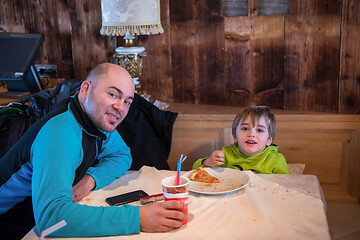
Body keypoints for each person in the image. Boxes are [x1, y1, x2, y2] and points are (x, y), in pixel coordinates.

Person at [0, 63, 185, 238]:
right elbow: (50, 218)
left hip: (33, 218)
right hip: (14, 225)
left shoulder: (94, 121)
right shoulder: (61, 132)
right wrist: (138, 218)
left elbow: (122, 155)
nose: (121, 107)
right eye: (113, 94)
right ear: (85, 89)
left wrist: (90, 180)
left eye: (128, 101)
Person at [192, 105, 290, 174]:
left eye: (259, 130)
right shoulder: (225, 154)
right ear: (235, 136)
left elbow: (287, 184)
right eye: (245, 128)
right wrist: (207, 162)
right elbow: (195, 171)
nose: (251, 134)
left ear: (269, 140)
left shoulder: (276, 160)